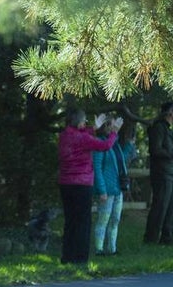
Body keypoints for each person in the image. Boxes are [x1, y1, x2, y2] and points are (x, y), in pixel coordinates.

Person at [58, 109, 119, 264]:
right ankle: (80, 258)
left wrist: (94, 128)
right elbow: (105, 145)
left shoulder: (64, 135)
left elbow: (80, 134)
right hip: (82, 184)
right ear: (79, 123)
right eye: (85, 121)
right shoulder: (83, 138)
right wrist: (114, 133)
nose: (86, 123)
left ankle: (67, 256)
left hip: (66, 183)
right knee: (83, 222)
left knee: (70, 221)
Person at [92, 121, 137, 255]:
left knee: (115, 220)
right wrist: (102, 190)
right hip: (107, 190)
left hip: (118, 189)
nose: (113, 127)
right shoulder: (99, 144)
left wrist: (129, 145)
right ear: (104, 127)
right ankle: (99, 249)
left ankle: (112, 249)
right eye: (110, 125)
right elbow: (97, 169)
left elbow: (120, 159)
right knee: (103, 220)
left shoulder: (114, 145)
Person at [144, 101, 173, 246]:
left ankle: (168, 238)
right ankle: (151, 238)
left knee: (172, 207)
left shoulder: (168, 130)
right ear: (170, 113)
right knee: (160, 206)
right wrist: (172, 153)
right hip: (161, 173)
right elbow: (155, 150)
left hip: (170, 173)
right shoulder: (158, 128)